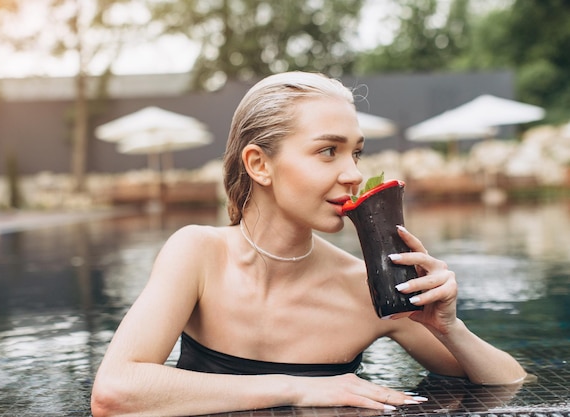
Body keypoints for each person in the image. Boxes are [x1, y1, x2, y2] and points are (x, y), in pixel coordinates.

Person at [90, 71, 526, 417]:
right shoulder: (198, 254)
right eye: (327, 151)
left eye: (355, 152)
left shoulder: (365, 286)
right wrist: (301, 388)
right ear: (260, 164)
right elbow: (114, 394)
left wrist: (450, 327)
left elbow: (506, 385)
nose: (354, 173)